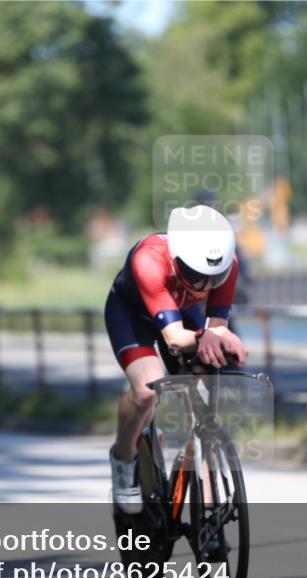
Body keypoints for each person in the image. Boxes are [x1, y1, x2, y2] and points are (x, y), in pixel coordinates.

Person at [104, 205, 249, 513]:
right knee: (146, 391)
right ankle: (124, 459)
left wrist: (224, 339)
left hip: (182, 313)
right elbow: (174, 338)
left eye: (216, 276)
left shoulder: (226, 264)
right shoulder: (149, 261)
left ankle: (205, 489)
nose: (207, 286)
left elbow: (217, 329)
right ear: (177, 258)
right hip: (134, 316)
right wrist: (204, 338)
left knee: (203, 392)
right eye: (198, 276)